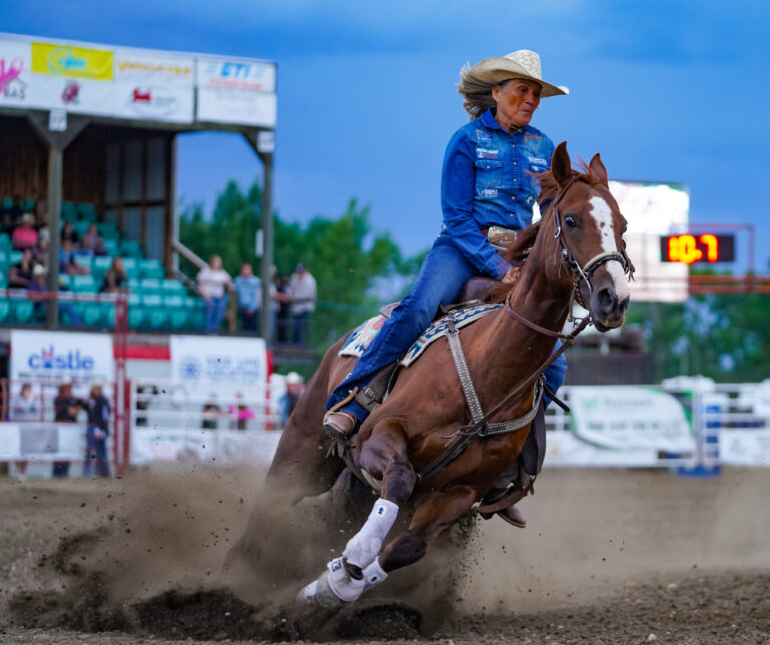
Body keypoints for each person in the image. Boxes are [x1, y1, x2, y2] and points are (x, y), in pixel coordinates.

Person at [322, 49, 568, 528]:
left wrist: (535, 262)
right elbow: (456, 217)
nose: (531, 100)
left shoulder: (544, 147)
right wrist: (496, 265)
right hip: (462, 247)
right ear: (496, 92)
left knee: (552, 362)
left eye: (537, 93)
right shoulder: (467, 140)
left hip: (517, 257)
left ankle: (506, 467)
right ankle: (352, 402)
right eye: (523, 90)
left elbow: (553, 215)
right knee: (417, 310)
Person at [8, 383, 41, 477]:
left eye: (30, 390)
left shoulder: (33, 399)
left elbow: (38, 407)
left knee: (26, 451)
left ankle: (23, 471)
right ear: (22, 390)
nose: (29, 392)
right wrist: (30, 399)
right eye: (27, 390)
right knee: (18, 451)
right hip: (19, 429)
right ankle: (18, 471)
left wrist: (32, 399)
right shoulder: (18, 400)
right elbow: (25, 408)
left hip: (29, 429)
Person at [52, 378, 83, 478]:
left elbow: (80, 406)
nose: (68, 389)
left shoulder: (72, 399)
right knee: (59, 451)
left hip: (68, 429)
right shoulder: (59, 399)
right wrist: (75, 409)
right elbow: (71, 411)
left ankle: (64, 473)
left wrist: (77, 409)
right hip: (61, 429)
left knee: (67, 451)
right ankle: (57, 473)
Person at [197, 255, 232, 334]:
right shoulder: (206, 271)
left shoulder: (222, 272)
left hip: (219, 297)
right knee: (210, 314)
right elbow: (200, 282)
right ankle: (208, 332)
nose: (217, 263)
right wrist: (205, 294)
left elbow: (229, 280)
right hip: (209, 297)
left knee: (219, 314)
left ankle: (215, 331)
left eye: (219, 261)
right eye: (216, 261)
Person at [83, 382, 111, 478]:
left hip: (98, 427)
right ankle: (95, 472)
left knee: (99, 450)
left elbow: (104, 417)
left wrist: (101, 429)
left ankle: (101, 472)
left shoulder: (102, 401)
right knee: (94, 450)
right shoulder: (95, 401)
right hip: (95, 427)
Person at [287, 263, 316, 343]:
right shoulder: (294, 277)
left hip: (305, 307)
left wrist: (293, 297)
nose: (300, 274)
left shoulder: (310, 281)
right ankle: (295, 343)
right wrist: (291, 295)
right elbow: (291, 289)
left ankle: (301, 344)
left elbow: (308, 295)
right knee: (295, 327)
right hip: (295, 307)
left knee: (301, 327)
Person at [233, 263, 262, 332]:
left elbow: (257, 296)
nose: (245, 271)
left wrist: (252, 308)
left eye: (247, 269)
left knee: (252, 327)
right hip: (241, 308)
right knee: (243, 327)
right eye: (244, 269)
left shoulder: (256, 281)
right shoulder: (237, 280)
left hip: (253, 309)